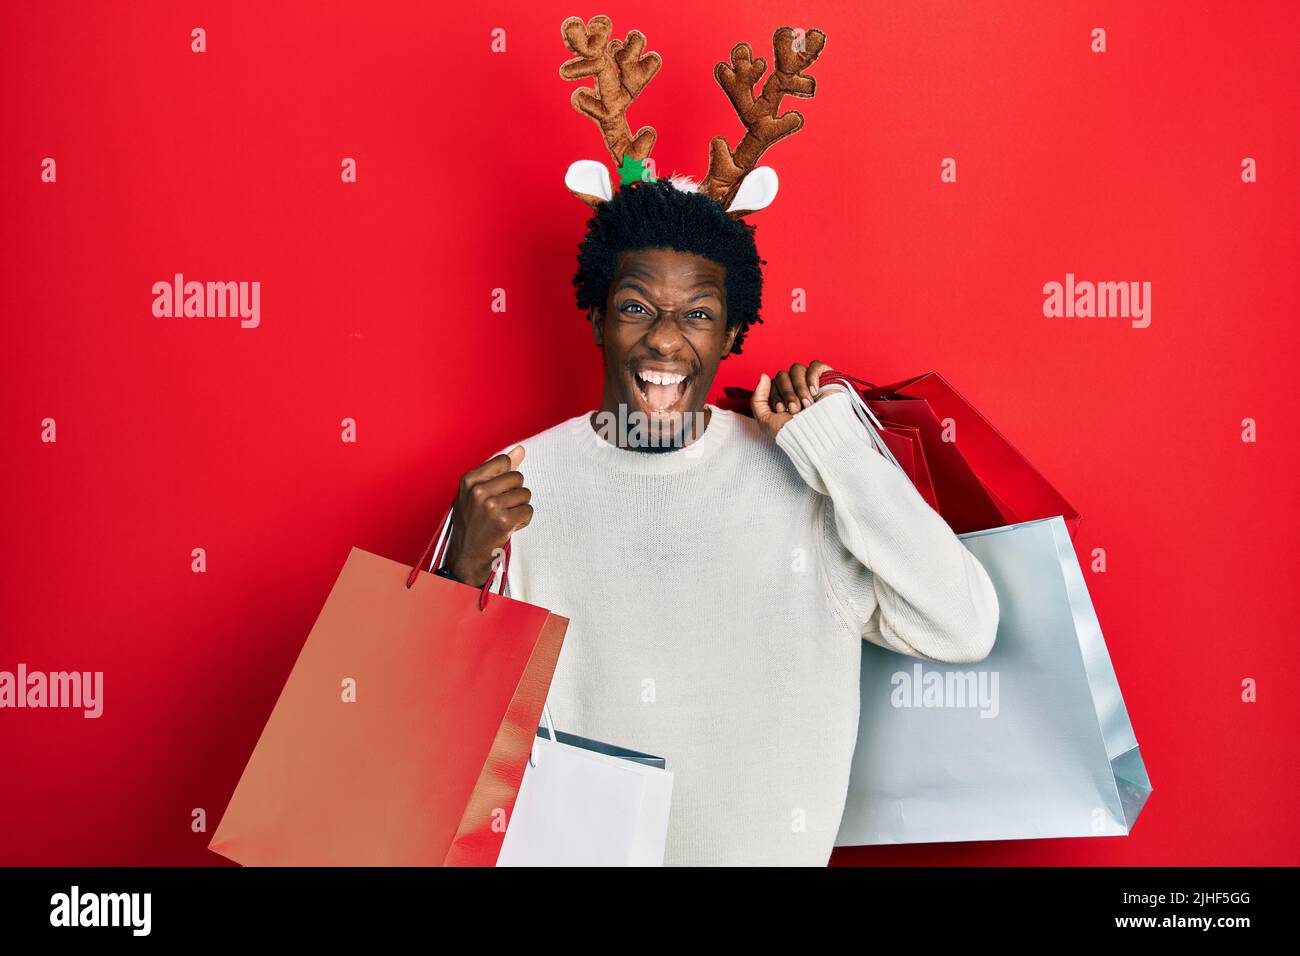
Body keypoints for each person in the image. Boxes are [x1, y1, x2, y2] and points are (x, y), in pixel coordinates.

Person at [439, 177, 1000, 865]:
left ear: (733, 333)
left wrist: (840, 453)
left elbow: (963, 625)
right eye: (637, 306)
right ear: (595, 317)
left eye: (698, 315)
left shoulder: (804, 475)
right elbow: (437, 736)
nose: (666, 340)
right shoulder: (517, 483)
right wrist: (458, 573)